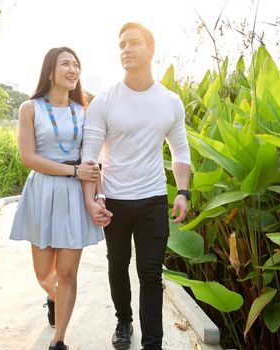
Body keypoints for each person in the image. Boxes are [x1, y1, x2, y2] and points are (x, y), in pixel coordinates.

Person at [81, 23, 192, 350]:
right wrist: (93, 199)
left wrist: (183, 192)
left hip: (153, 201)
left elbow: (180, 150)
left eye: (133, 43)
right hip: (114, 200)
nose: (126, 49)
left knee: (150, 274)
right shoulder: (105, 101)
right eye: (122, 45)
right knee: (117, 264)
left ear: (151, 50)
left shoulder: (170, 102)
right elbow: (90, 156)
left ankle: (153, 344)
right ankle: (124, 321)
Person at [10, 47, 105, 350]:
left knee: (67, 273)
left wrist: (98, 195)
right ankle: (53, 296)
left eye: (76, 65)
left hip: (73, 195)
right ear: (50, 71)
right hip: (42, 192)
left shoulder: (84, 111)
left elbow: (91, 160)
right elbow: (28, 157)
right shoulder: (30, 108)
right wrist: (74, 172)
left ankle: (58, 340)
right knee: (44, 273)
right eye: (66, 64)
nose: (73, 69)